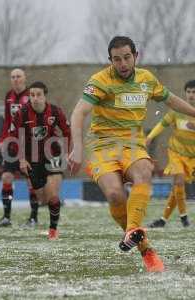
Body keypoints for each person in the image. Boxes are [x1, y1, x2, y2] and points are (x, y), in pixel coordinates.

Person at [68, 36, 195, 272]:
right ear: (110, 61)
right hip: (101, 145)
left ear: (136, 56)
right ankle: (145, 248)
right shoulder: (100, 81)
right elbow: (78, 113)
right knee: (115, 195)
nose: (123, 63)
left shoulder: (147, 80)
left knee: (144, 171)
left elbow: (172, 100)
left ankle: (132, 230)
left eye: (127, 57)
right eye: (117, 59)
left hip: (132, 144)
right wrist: (76, 147)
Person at [11, 81, 71, 240]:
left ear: (45, 96)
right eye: (32, 95)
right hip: (32, 159)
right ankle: (49, 208)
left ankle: (53, 229)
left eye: (38, 95)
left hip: (52, 155)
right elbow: (18, 138)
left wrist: (66, 153)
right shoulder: (22, 114)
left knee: (52, 196)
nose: (35, 98)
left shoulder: (56, 112)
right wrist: (22, 159)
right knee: (43, 199)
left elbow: (67, 132)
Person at [0, 68, 40, 228]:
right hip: (12, 144)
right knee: (6, 177)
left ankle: (33, 218)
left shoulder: (31, 95)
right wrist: (2, 139)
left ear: (24, 78)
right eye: (13, 77)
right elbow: (7, 121)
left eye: (18, 76)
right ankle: (6, 217)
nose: (15, 79)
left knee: (30, 180)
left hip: (28, 146)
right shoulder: (9, 96)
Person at [146, 80, 195, 228]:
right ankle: (184, 217)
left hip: (192, 158)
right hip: (175, 153)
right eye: (189, 92)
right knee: (179, 180)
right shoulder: (177, 111)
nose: (191, 95)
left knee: (177, 188)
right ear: (185, 93)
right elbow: (162, 124)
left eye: (194, 92)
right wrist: (149, 137)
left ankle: (163, 220)